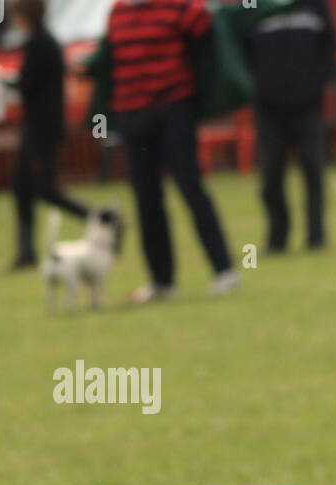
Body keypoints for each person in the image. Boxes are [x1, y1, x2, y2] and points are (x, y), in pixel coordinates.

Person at [106, 0, 239, 302]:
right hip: (132, 113)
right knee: (146, 197)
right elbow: (111, 61)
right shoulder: (118, 11)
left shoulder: (180, 6)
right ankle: (162, 281)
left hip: (173, 107)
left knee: (190, 187)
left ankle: (225, 271)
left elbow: (212, 28)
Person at [3, 0, 90, 270]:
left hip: (42, 130)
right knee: (23, 187)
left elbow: (28, 82)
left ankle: (99, 219)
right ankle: (26, 252)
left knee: (45, 190)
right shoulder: (41, 42)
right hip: (36, 128)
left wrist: (1, 81)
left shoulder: (42, 44)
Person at [246, 0, 336, 254]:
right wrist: (256, 86)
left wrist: (318, 82)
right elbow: (242, 48)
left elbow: (330, 43)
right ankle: (277, 239)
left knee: (313, 170)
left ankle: (316, 238)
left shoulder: (315, 5)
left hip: (308, 103)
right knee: (270, 174)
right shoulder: (254, 5)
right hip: (268, 106)